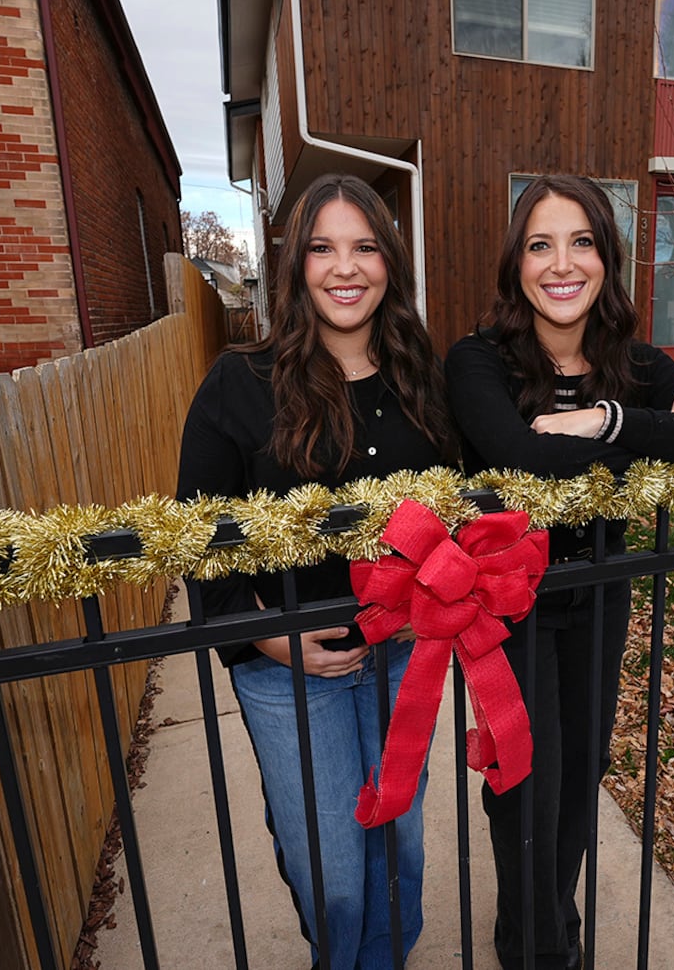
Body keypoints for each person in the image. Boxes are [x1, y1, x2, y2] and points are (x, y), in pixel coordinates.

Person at [445, 175, 674, 970]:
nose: (562, 263)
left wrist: (607, 417)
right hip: (508, 605)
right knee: (526, 784)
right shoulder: (478, 361)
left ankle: (548, 927)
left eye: (581, 241)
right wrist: (653, 434)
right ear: (518, 262)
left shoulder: (635, 363)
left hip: (599, 589)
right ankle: (538, 948)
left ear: (606, 259)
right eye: (541, 244)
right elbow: (521, 457)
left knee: (579, 779)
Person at [177, 173, 454, 969]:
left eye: (365, 246)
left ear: (390, 263)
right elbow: (200, 537)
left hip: (403, 654)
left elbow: (465, 500)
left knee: (399, 837)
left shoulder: (421, 380)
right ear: (296, 264)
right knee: (330, 862)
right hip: (287, 673)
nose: (346, 267)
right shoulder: (240, 384)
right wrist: (270, 636)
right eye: (323, 248)